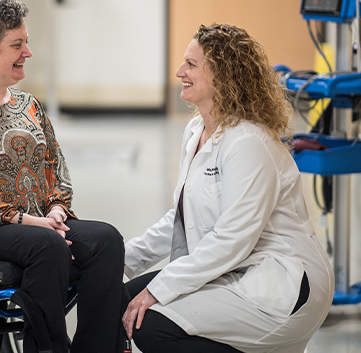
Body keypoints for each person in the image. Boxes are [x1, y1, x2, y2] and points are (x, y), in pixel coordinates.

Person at [0, 0, 126, 353]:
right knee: (46, 245)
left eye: (26, 42)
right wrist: (27, 221)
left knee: (106, 239)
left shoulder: (27, 104)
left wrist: (56, 211)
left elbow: (56, 170)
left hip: (39, 225)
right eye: (17, 45)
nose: (28, 52)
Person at [122, 23, 334, 353]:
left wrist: (159, 289)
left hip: (283, 283)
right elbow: (180, 218)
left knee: (150, 324)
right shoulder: (196, 131)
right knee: (122, 300)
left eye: (191, 65)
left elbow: (233, 239)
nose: (179, 72)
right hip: (236, 268)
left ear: (222, 76)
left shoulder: (248, 141)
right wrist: (121, 260)